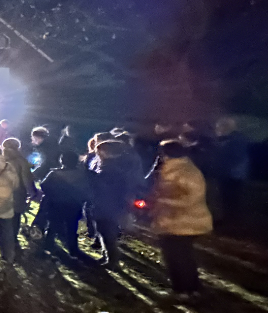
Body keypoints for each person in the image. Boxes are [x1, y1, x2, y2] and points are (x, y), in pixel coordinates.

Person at [150, 140, 213, 301]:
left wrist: (163, 201)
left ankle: (183, 291)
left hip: (185, 222)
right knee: (181, 256)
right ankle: (191, 288)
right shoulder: (170, 167)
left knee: (178, 257)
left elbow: (193, 199)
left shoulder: (187, 171)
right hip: (171, 220)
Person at [91, 140, 144, 269]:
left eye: (99, 152)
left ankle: (112, 260)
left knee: (107, 232)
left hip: (107, 205)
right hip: (110, 205)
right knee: (104, 231)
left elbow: (105, 188)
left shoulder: (110, 169)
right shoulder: (111, 166)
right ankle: (107, 256)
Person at [37, 151, 94, 257]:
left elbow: (44, 185)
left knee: (52, 227)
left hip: (56, 204)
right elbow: (87, 188)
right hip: (74, 205)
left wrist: (53, 194)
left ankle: (48, 248)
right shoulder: (82, 174)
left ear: (61, 161)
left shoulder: (55, 174)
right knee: (72, 228)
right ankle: (73, 250)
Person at [214, 117, 249, 227]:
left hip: (232, 174)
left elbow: (232, 158)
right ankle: (229, 220)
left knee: (230, 199)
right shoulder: (235, 139)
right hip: (233, 174)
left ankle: (230, 222)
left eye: (218, 127)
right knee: (229, 199)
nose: (216, 130)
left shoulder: (234, 140)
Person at [1, 138, 36, 242]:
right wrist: (32, 192)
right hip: (17, 192)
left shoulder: (0, 159)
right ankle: (12, 238)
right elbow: (26, 178)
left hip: (1, 191)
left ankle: (3, 237)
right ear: (18, 147)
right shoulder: (21, 161)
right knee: (15, 216)